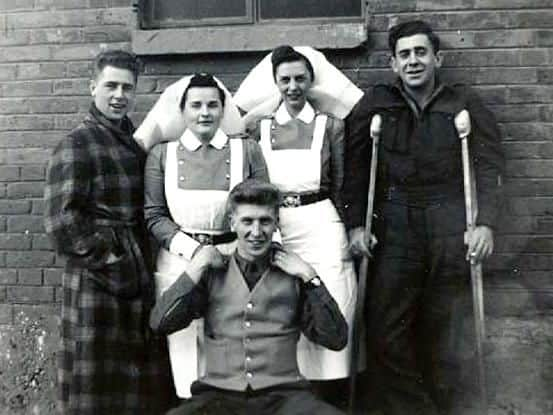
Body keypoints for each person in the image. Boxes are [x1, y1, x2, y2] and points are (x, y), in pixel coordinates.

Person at [344, 20, 505, 415]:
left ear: (438, 57)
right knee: (385, 331)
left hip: (450, 224)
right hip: (395, 226)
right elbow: (355, 169)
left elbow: (489, 166)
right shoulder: (376, 104)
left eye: (420, 52)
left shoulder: (463, 103)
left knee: (446, 332)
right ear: (393, 63)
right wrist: (356, 225)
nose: (413, 61)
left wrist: (485, 223)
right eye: (404, 55)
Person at [44, 50, 175, 414]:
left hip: (135, 275)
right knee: (96, 382)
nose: (119, 95)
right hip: (97, 281)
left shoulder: (132, 142)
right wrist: (112, 260)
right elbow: (61, 224)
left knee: (133, 384)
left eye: (127, 87)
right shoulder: (77, 144)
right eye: (110, 86)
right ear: (93, 88)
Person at [150, 179, 348, 415]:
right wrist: (195, 268)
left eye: (265, 221)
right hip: (219, 397)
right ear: (232, 222)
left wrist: (310, 276)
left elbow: (336, 339)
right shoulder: (212, 273)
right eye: (247, 221)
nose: (256, 232)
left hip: (284, 398)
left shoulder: (294, 274)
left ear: (276, 222)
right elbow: (159, 323)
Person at [234, 46, 363, 405]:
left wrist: (346, 227)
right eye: (285, 79)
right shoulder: (259, 128)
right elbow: (255, 184)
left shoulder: (331, 126)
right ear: (275, 82)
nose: (293, 86)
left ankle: (332, 400)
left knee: (332, 303)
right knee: (283, 307)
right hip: (277, 225)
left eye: (299, 78)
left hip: (321, 222)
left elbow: (339, 183)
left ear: (310, 80)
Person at [143, 73, 269, 398]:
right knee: (185, 358)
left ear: (222, 109)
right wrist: (195, 252)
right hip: (180, 264)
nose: (204, 113)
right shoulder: (162, 154)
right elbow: (154, 215)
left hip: (235, 263)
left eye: (212, 105)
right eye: (196, 105)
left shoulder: (247, 150)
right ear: (182, 111)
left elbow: (263, 208)